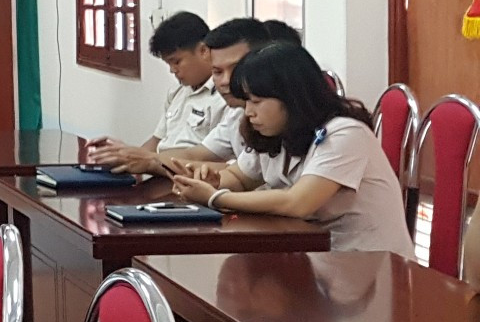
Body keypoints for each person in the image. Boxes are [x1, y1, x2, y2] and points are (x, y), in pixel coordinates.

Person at [170, 42, 412, 252]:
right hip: (313, 256)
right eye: (246, 102)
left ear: (291, 97)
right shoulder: (274, 132)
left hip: (368, 265)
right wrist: (212, 182)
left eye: (256, 101)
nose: (249, 112)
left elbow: (297, 202)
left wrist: (216, 197)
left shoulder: (345, 134)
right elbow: (240, 177)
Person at [98, 17, 281, 177]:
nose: (226, 81)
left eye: (235, 69)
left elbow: (239, 176)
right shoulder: (235, 114)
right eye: (217, 71)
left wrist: (151, 162)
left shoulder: (237, 104)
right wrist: (130, 156)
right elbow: (196, 155)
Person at [84, 11, 224, 170]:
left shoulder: (225, 98)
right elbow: (155, 143)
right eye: (168, 64)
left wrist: (149, 161)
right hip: (159, 170)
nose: (172, 70)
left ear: (203, 51)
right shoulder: (177, 93)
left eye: (176, 62)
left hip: (187, 176)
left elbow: (211, 160)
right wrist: (124, 156)